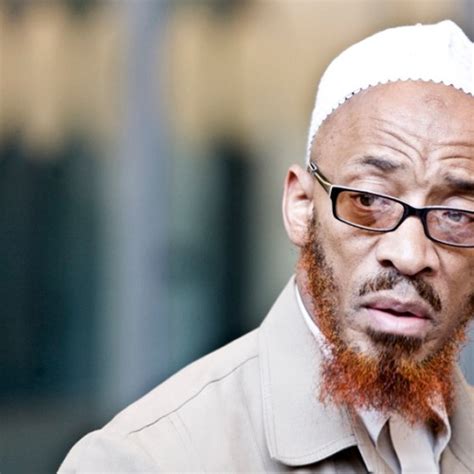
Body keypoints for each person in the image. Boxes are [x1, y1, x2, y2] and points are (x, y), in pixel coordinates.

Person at [59, 20, 474, 473]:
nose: (410, 255)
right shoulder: (148, 460)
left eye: (457, 216)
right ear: (301, 208)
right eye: (368, 201)